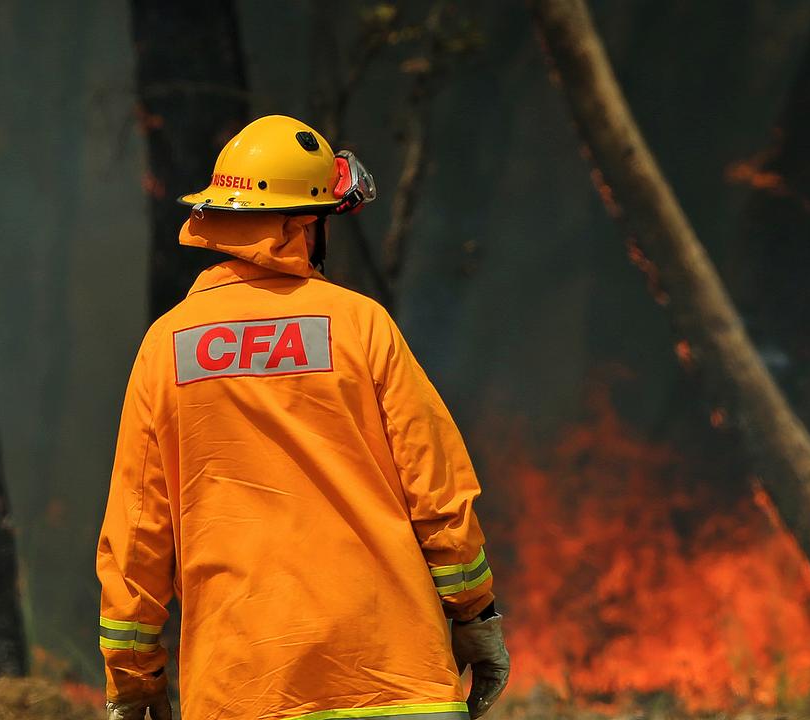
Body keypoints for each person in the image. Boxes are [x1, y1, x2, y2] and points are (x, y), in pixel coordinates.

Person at [96, 115, 509, 720]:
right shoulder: (360, 325)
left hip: (241, 690)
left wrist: (133, 685)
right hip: (396, 686)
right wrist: (474, 615)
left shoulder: (167, 346)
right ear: (301, 226)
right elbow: (438, 493)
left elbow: (136, 537)